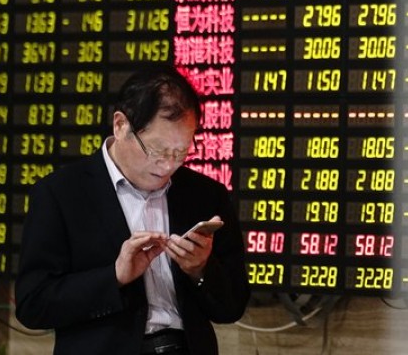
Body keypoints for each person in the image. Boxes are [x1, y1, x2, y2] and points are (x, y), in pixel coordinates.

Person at [16, 64, 250, 355]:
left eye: (181, 152)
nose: (168, 165)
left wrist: (200, 270)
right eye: (157, 150)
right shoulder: (60, 193)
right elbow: (33, 304)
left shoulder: (205, 195)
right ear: (121, 125)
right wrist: (114, 276)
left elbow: (232, 307)